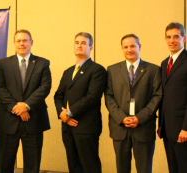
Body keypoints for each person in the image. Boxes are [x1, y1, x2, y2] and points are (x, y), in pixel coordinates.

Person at [0, 29, 51, 173]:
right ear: (14, 43)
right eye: (18, 41)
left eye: (25, 40)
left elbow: (45, 87)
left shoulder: (42, 63)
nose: (21, 43)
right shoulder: (3, 63)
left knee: (32, 165)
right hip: (8, 121)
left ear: (31, 43)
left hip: (34, 121)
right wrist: (16, 108)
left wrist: (26, 105)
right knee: (5, 164)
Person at [105, 34, 162, 173]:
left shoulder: (153, 70)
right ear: (122, 49)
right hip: (120, 128)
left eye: (132, 46)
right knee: (122, 168)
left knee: (144, 169)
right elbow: (108, 97)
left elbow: (157, 96)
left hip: (143, 127)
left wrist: (139, 118)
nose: (129, 49)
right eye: (125, 47)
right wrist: (122, 118)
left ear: (139, 47)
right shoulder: (112, 70)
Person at [54, 32, 106, 173]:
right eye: (77, 42)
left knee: (90, 166)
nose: (79, 45)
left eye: (84, 43)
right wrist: (62, 114)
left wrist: (69, 113)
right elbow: (58, 96)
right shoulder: (68, 71)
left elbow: (92, 97)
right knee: (73, 166)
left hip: (86, 127)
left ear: (91, 47)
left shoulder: (97, 70)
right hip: (67, 127)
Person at [158, 22, 187, 173]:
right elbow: (164, 96)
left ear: (184, 39)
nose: (172, 40)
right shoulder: (164, 63)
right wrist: (160, 124)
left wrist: (186, 128)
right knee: (173, 168)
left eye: (176, 36)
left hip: (183, 129)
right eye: (168, 37)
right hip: (167, 128)